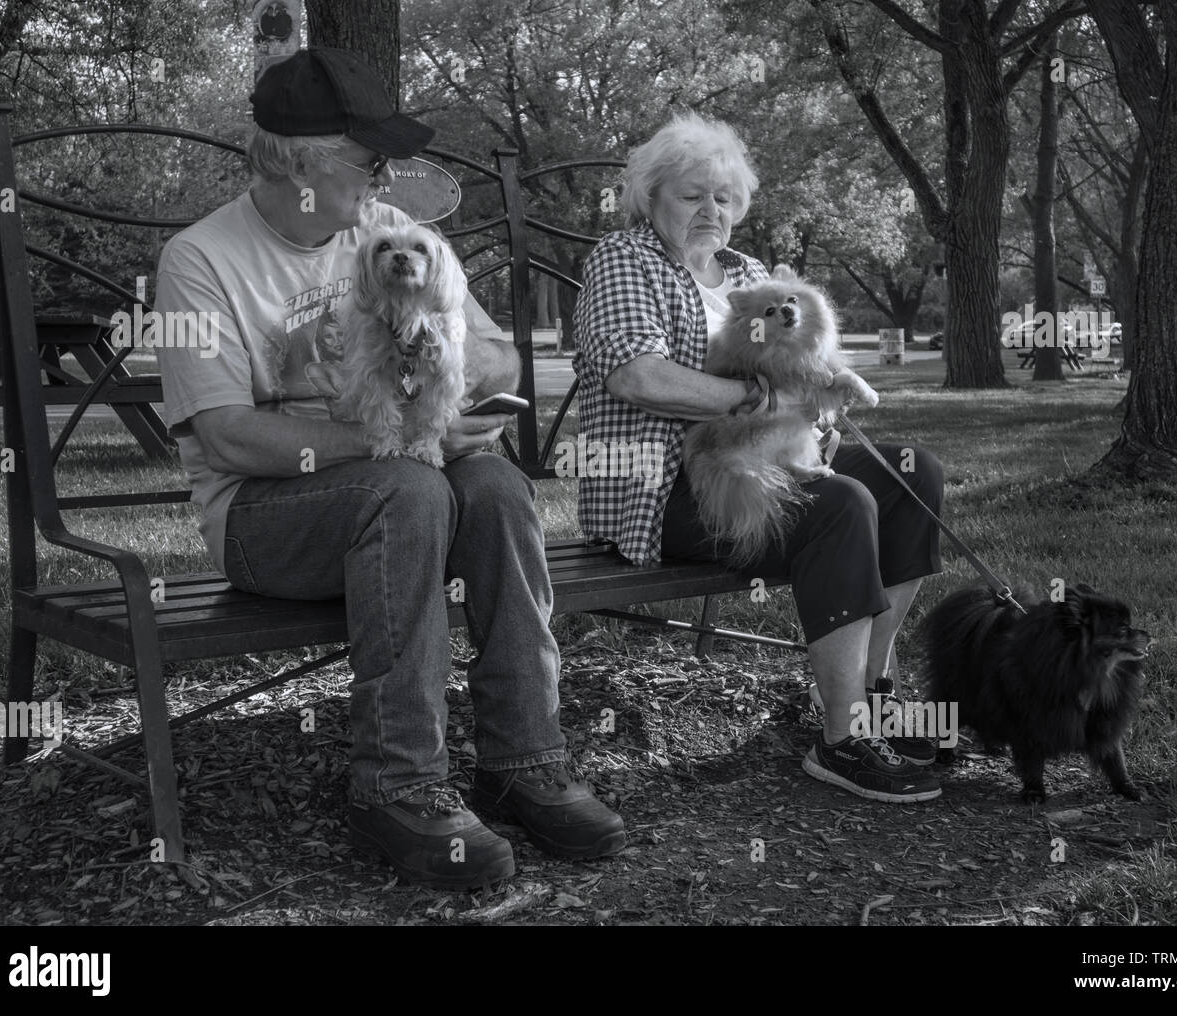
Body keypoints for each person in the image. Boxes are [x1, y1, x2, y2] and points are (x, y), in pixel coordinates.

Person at [155, 47, 624, 890]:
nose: (384, 175)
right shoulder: (201, 260)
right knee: (408, 485)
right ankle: (397, 782)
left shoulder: (392, 238)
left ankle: (525, 758)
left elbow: (501, 366)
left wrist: (448, 369)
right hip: (265, 523)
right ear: (300, 161)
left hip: (407, 492)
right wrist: (396, 442)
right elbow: (225, 437)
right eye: (368, 159)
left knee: (498, 489)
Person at [572, 112, 945, 803]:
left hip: (774, 455)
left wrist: (819, 400)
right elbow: (638, 376)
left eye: (723, 196)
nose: (710, 209)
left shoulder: (746, 273)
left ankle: (875, 693)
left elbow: (812, 361)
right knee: (837, 504)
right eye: (690, 195)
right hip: (661, 489)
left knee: (911, 471)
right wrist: (758, 400)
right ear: (650, 197)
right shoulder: (623, 261)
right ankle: (843, 740)